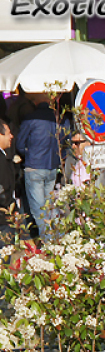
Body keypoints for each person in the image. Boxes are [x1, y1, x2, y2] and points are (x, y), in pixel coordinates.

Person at [14, 92, 59, 238]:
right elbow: (65, 140)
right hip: (52, 166)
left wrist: (28, 153)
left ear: (35, 103)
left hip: (34, 166)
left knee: (39, 210)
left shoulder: (31, 119)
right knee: (50, 208)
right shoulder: (57, 118)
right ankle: (58, 239)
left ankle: (49, 243)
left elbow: (20, 144)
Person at [0, 120, 16, 244]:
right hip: (3, 218)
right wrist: (8, 205)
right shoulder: (1, 161)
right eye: (8, 133)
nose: (11, 136)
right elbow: (3, 187)